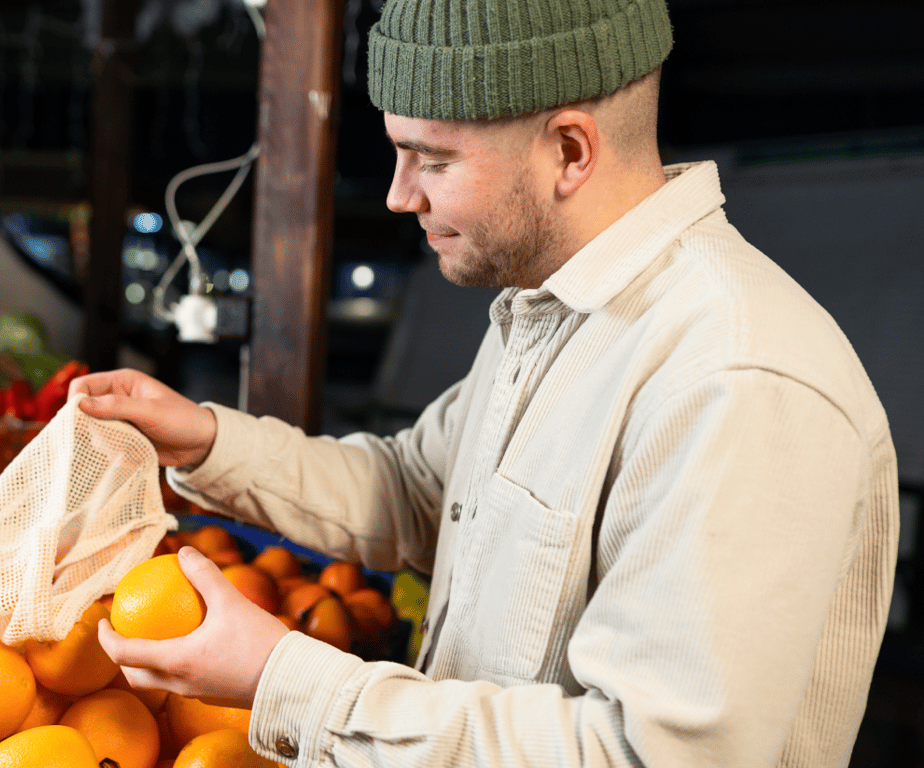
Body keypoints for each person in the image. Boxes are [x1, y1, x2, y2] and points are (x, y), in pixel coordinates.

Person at [71, 0, 899, 764]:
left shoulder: (733, 381)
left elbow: (649, 755)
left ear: (570, 151)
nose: (399, 195)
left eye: (431, 158)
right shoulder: (550, 312)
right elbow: (422, 491)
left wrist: (286, 680)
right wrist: (211, 441)